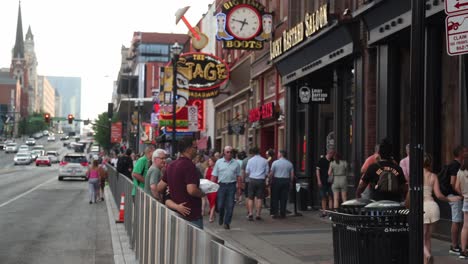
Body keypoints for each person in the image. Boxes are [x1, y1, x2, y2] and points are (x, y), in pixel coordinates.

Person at [157, 137, 205, 229]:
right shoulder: (189, 166)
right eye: (195, 147)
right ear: (188, 149)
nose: (197, 150)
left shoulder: (171, 165)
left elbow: (159, 187)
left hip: (175, 214)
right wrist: (202, 193)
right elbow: (191, 190)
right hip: (191, 215)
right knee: (194, 243)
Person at [421, 153, 461, 263]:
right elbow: (438, 195)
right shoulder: (433, 176)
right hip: (433, 207)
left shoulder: (416, 176)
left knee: (420, 238)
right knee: (428, 238)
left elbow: (410, 195)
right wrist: (450, 199)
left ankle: (428, 256)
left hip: (422, 208)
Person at [440, 145, 466, 255]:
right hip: (454, 196)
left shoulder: (454, 165)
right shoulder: (456, 166)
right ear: (460, 154)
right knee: (456, 221)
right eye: (465, 151)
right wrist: (462, 194)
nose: (467, 153)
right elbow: (453, 183)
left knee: (458, 221)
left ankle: (456, 244)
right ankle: (454, 246)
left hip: (453, 195)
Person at [212, 146, 241, 229]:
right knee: (220, 205)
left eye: (231, 152)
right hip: (221, 186)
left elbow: (239, 176)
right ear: (224, 152)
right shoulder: (219, 162)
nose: (229, 154)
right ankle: (221, 216)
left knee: (230, 205)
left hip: (232, 186)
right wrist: (211, 186)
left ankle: (227, 222)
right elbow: (214, 175)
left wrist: (239, 188)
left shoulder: (236, 163)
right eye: (227, 152)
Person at [245, 146, 269, 221]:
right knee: (259, 198)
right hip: (261, 180)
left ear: (253, 152)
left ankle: (251, 213)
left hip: (252, 180)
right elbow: (267, 173)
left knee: (250, 198)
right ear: (259, 152)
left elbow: (247, 172)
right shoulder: (265, 161)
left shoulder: (250, 160)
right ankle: (258, 214)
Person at [268, 150, 294, 219]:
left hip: (277, 180)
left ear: (281, 154)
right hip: (286, 181)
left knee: (275, 197)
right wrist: (290, 182)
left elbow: (271, 173)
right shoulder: (289, 163)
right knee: (284, 198)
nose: (277, 154)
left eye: (278, 153)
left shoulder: (275, 163)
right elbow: (292, 175)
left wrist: (269, 180)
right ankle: (283, 213)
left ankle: (275, 213)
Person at [456, 155, 468, 259]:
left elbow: (456, 187)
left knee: (465, 226)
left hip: (466, 200)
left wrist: (463, 194)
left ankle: (463, 251)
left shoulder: (460, 172)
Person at [316, 149, 335, 217]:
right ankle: (324, 212)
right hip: (323, 181)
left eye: (332, 154)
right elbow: (317, 171)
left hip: (330, 181)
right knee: (323, 197)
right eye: (330, 153)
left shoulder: (333, 160)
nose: (331, 155)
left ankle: (330, 212)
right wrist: (318, 180)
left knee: (330, 196)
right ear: (327, 153)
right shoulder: (321, 160)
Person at [205, 156, 218, 223]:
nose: (209, 162)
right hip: (208, 187)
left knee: (213, 201)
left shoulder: (216, 170)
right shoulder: (207, 169)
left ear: (214, 162)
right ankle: (213, 213)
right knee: (209, 201)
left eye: (210, 161)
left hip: (214, 187)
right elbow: (205, 177)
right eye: (209, 161)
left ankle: (211, 216)